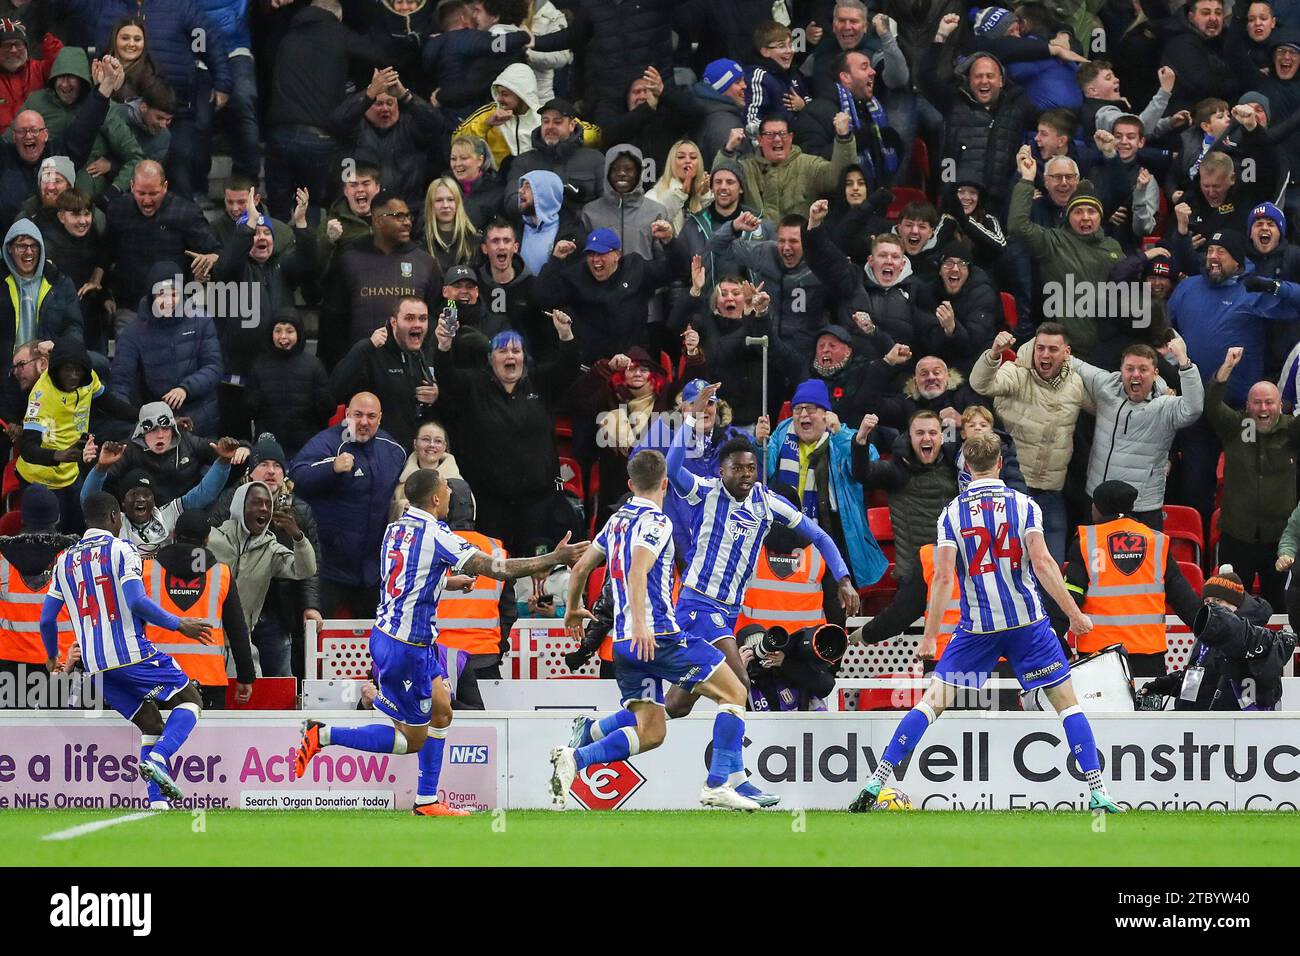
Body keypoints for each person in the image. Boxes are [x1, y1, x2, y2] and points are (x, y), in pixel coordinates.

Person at [848, 432, 1124, 814]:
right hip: (1028, 624)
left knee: (932, 704)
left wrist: (929, 638)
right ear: (999, 464)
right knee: (1068, 706)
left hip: (978, 629)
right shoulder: (1025, 505)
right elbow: (1043, 563)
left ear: (966, 466)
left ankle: (875, 782)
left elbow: (943, 579)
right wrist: (1075, 615)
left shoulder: (952, 512)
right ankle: (1098, 791)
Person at [295, 468, 587, 815]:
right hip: (406, 648)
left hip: (401, 637)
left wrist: (445, 583)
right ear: (435, 498)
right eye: (447, 488)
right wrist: (554, 559)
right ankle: (324, 734)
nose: (451, 492)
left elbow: (404, 578)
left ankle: (427, 800)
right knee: (410, 740)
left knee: (443, 708)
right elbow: (497, 569)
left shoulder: (396, 528)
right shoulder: (436, 533)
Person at [653, 384, 859, 802]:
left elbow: (817, 534)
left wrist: (842, 577)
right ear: (723, 471)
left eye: (751, 468)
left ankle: (591, 737)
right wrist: (693, 413)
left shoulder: (767, 503)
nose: (746, 474)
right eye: (738, 469)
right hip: (698, 606)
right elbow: (672, 467)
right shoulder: (705, 491)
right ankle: (726, 781)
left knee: (676, 705)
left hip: (725, 613)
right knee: (740, 686)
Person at [551, 449, 764, 812]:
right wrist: (640, 624)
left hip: (622, 646)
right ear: (665, 483)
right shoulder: (657, 522)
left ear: (631, 484)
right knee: (734, 692)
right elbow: (637, 570)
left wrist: (572, 608)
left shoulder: (616, 521)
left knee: (652, 732)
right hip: (659, 636)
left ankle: (577, 757)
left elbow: (581, 566)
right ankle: (718, 785)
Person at [39, 490, 213, 810]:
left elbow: (47, 619)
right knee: (191, 700)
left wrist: (53, 658)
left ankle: (157, 803)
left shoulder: (64, 561)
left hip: (94, 666)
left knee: (150, 724)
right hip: (131, 654)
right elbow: (136, 601)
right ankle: (159, 760)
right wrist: (180, 624)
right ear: (115, 517)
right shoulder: (122, 549)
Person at [432, 312, 579, 558]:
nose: (510, 356)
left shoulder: (539, 383)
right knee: (494, 567)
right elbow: (447, 377)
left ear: (524, 357)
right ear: (491, 359)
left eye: (516, 351)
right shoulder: (475, 386)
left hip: (538, 501)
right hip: (491, 503)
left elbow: (568, 367)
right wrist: (444, 345)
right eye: (502, 351)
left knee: (535, 567)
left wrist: (565, 334)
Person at [766, 378, 890, 618]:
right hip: (783, 530)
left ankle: (832, 652)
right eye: (798, 409)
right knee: (785, 600)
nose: (803, 415)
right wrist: (760, 444)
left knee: (834, 606)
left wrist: (841, 432)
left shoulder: (842, 437)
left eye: (811, 409)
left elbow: (863, 467)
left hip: (829, 533)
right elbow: (765, 472)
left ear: (826, 414)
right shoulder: (781, 435)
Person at [970, 326, 1094, 562]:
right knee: (1010, 564)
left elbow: (1108, 403)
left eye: (1052, 349)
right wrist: (994, 353)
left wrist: (1161, 390)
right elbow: (981, 384)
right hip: (1012, 488)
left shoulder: (1076, 384)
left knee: (1052, 566)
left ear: (1066, 352)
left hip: (1051, 493)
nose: (1045, 355)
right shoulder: (1017, 372)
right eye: (1040, 348)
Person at [1053, 480, 1202, 676]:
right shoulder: (1156, 541)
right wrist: (1216, 633)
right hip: (1149, 656)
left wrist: (1054, 638)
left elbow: (1071, 597)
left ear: (1098, 508)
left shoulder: (1086, 542)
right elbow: (1185, 600)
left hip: (1098, 657)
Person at [288, 392, 407, 618]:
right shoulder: (328, 442)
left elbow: (408, 482)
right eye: (358, 415)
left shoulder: (393, 450)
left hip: (374, 571)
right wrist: (331, 468)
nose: (364, 422)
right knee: (310, 637)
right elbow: (297, 475)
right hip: (330, 568)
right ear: (346, 415)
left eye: (371, 416)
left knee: (377, 644)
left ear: (380, 418)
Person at [1072, 337, 1204, 530]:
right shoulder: (1107, 386)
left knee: (1147, 561)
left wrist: (1184, 361)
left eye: (1143, 369)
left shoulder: (1165, 406)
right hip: (1099, 501)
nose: (1136, 374)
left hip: (1142, 508)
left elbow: (1193, 408)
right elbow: (1074, 363)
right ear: (1121, 371)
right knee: (1094, 560)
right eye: (1130, 368)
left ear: (1155, 373)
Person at [1206, 346, 1300, 608]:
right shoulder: (1235, 427)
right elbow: (1212, 405)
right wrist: (1227, 367)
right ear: (1247, 405)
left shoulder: (1292, 432)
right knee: (1231, 609)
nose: (1263, 408)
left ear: (1280, 405)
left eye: (1269, 402)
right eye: (1257, 402)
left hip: (1279, 542)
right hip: (1237, 537)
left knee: (1279, 609)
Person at [17, 336, 137, 527]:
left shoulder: (88, 381)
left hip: (71, 473)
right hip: (40, 480)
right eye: (67, 370)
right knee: (53, 537)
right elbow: (28, 448)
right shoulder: (41, 396)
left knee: (81, 530)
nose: (73, 376)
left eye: (78, 370)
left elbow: (111, 403)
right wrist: (58, 455)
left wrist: (146, 414)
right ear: (56, 369)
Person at [142, 510, 254, 710]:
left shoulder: (146, 571)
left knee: (158, 739)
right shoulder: (222, 574)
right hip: (208, 679)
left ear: (174, 534)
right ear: (207, 539)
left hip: (156, 676)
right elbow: (237, 629)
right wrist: (246, 676)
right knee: (206, 742)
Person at [1141, 566, 1296, 710]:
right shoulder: (1207, 637)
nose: (1212, 606)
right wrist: (1161, 685)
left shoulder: (1251, 637)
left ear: (1236, 605)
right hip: (1199, 724)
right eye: (1207, 601)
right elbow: (1198, 677)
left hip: (1233, 727)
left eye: (1218, 601)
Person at [208, 479, 318, 677]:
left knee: (248, 697)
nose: (264, 509)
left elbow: (305, 570)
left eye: (268, 504)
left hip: (240, 641)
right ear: (240, 506)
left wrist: (297, 536)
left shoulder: (271, 549)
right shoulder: (211, 540)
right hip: (205, 639)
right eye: (256, 502)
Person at [321, 191, 441, 365]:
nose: (407, 222)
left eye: (408, 216)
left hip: (412, 371)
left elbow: (437, 317)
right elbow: (333, 322)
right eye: (398, 216)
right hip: (361, 369)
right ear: (377, 220)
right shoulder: (349, 261)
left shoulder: (426, 263)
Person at [79, 436, 238, 557]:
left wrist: (224, 461)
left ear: (154, 500)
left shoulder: (169, 514)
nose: (141, 499)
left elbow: (204, 493)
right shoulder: (115, 522)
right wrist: (102, 468)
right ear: (123, 503)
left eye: (147, 494)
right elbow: (90, 502)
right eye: (134, 494)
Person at [331, 296, 441, 451]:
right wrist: (364, 347)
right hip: (377, 452)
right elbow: (335, 391)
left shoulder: (424, 352)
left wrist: (435, 396)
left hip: (414, 451)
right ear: (394, 322)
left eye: (422, 318)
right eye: (409, 318)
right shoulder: (372, 352)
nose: (417, 324)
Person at [0, 486, 76, 700]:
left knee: (12, 732)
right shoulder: (73, 558)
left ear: (22, 518)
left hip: (9, 666)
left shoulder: (1, 557)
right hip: (62, 663)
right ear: (58, 516)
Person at [715, 113, 856, 222]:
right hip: (758, 247)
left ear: (791, 137)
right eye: (770, 135)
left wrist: (844, 139)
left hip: (801, 245)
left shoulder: (809, 165)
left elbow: (838, 177)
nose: (777, 139)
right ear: (759, 140)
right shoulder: (746, 168)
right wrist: (728, 149)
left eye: (782, 134)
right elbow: (718, 183)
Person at [243, 312, 333, 461]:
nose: (283, 337)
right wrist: (253, 401)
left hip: (306, 445)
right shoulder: (259, 365)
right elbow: (248, 411)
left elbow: (328, 409)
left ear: (298, 334)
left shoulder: (314, 365)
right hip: (270, 445)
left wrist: (322, 400)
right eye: (278, 331)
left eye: (289, 331)